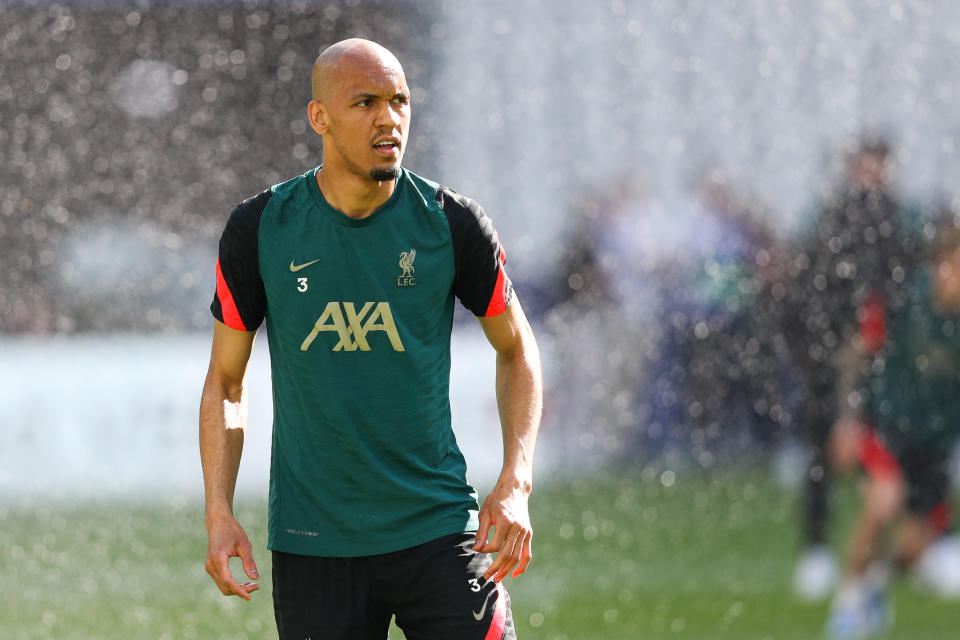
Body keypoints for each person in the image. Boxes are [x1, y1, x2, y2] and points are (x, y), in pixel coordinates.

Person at [199, 38, 542, 640]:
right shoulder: (260, 229)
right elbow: (227, 380)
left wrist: (515, 481)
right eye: (365, 102)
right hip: (313, 543)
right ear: (320, 118)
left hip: (437, 530)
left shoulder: (450, 222)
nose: (390, 118)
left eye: (400, 101)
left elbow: (516, 348)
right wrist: (219, 511)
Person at [782, 137, 922, 600]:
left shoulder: (897, 223)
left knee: (902, 453)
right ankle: (817, 549)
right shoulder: (832, 222)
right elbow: (807, 293)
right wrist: (828, 350)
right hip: (832, 362)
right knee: (822, 456)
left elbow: (902, 287)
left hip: (885, 365)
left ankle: (911, 544)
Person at [825, 213, 960, 639]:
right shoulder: (904, 299)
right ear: (940, 264)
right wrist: (846, 421)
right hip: (884, 424)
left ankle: (875, 580)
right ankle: (846, 605)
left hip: (936, 441)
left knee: (914, 549)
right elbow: (856, 355)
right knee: (884, 500)